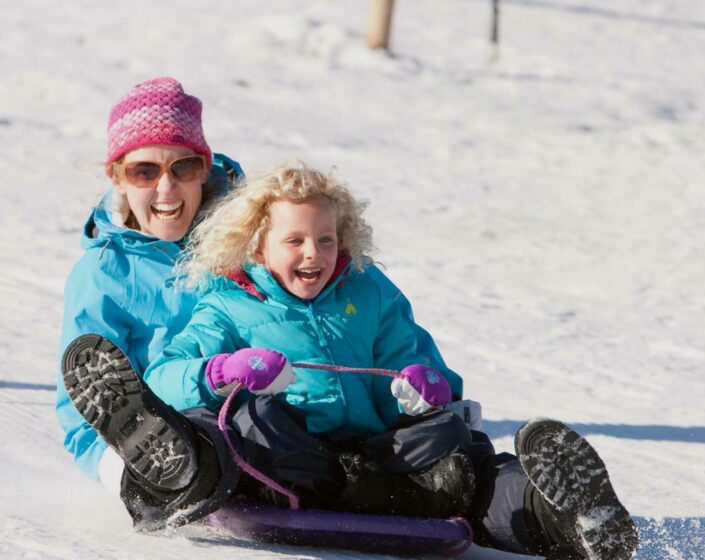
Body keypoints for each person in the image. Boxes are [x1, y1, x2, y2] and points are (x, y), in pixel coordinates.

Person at [130, 162, 635, 560]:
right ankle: (170, 474)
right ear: (258, 245)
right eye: (295, 241)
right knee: (236, 423)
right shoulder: (226, 304)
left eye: (326, 239)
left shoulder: (369, 293)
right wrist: (220, 371)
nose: (314, 253)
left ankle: (563, 518)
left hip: (382, 463)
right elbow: (162, 377)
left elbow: (420, 363)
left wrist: (428, 385)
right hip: (290, 463)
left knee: (460, 450)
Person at [56, 77, 464, 530]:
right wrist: (121, 474)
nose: (167, 187)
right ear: (116, 176)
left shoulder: (260, 236)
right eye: (144, 171)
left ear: (205, 168)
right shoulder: (103, 275)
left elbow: (370, 323)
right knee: (203, 436)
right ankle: (169, 476)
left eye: (184, 167)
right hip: (175, 426)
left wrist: (432, 387)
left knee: (261, 425)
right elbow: (83, 404)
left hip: (279, 415)